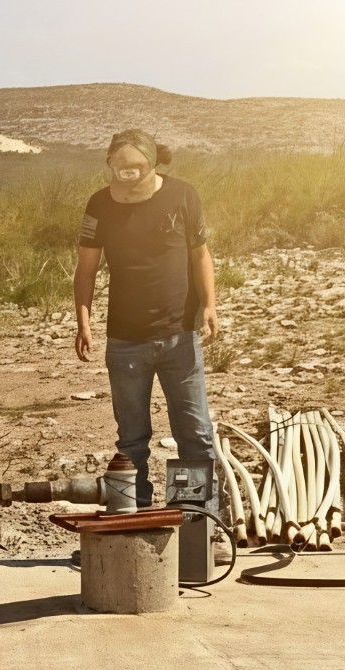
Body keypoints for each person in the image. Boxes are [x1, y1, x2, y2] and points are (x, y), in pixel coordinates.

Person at [74, 128, 219, 506]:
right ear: (110, 164)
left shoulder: (183, 194)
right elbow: (86, 269)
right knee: (131, 441)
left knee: (195, 434)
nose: (128, 174)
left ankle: (195, 517)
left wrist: (209, 305)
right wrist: (83, 322)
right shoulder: (99, 204)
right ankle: (135, 515)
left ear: (152, 162)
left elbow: (200, 255)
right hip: (125, 341)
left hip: (180, 335)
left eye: (136, 166)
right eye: (120, 167)